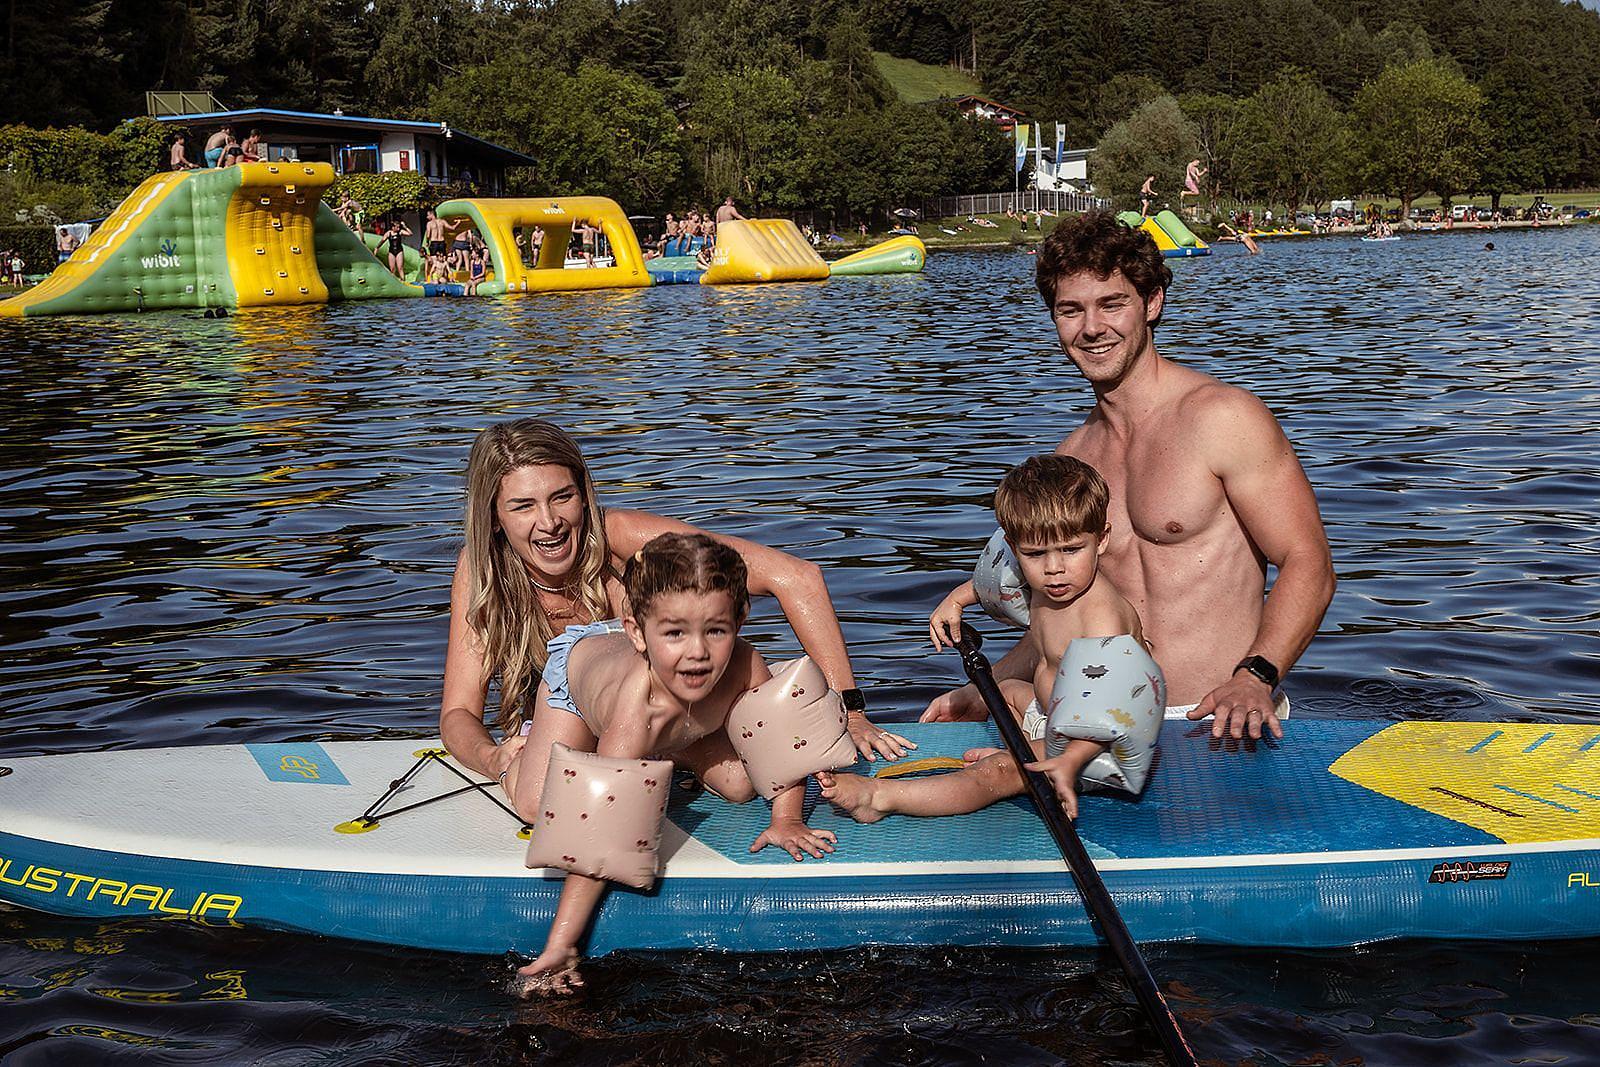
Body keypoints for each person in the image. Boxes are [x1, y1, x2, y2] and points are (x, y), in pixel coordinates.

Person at [920, 212, 1334, 740]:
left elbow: (1309, 564)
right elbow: (1064, 612)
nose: (1091, 328)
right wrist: (986, 687)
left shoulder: (1223, 418)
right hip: (1095, 729)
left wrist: (1256, 676)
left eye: (1111, 304)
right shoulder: (1073, 460)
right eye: (1071, 310)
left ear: (1152, 303)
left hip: (1216, 719)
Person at [438, 419, 910, 809]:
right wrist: (494, 757)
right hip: (573, 718)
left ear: (584, 492)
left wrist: (848, 711)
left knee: (743, 784)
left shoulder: (622, 539)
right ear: (495, 517)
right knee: (537, 801)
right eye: (523, 506)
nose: (549, 522)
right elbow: (458, 711)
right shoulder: (482, 573)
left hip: (659, 712)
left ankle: (697, 736)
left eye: (562, 496)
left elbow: (796, 577)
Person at [502, 532, 840, 993]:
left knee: (743, 784)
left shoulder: (744, 663)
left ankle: (671, 748)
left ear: (739, 621)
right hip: (579, 681)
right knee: (541, 800)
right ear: (639, 633)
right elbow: (596, 833)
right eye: (676, 633)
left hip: (672, 716)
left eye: (715, 630)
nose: (697, 651)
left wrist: (786, 819)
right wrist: (562, 943)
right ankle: (517, 753)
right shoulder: (633, 713)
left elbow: (778, 748)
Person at [823, 454, 1156, 824]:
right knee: (1005, 690)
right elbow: (994, 585)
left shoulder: (1101, 620)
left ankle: (880, 798)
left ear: (1102, 539)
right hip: (1054, 717)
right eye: (1035, 554)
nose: (1054, 568)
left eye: (1071, 550)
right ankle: (1023, 753)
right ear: (1015, 549)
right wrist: (956, 600)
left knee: (996, 772)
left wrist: (1063, 762)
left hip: (1099, 747)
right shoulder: (1055, 582)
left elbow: (1109, 716)